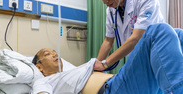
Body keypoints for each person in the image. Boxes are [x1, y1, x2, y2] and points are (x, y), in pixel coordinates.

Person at [32, 23, 183, 94]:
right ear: (39, 67)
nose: (54, 54)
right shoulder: (43, 81)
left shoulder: (72, 71)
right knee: (158, 31)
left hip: (120, 81)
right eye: (47, 54)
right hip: (111, 90)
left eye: (54, 52)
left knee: (178, 34)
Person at [91, 0, 164, 71]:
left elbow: (136, 37)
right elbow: (108, 41)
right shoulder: (111, 11)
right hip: (138, 60)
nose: (104, 1)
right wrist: (95, 66)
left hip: (159, 57)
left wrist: (105, 64)